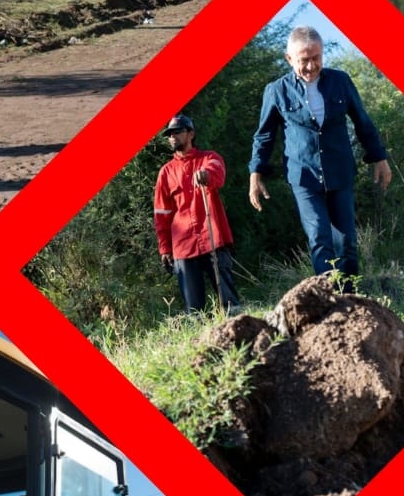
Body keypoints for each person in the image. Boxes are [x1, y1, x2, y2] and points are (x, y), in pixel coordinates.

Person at [248, 26, 391, 284]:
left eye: (317, 58)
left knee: (346, 241)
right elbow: (264, 135)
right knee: (319, 238)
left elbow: (363, 122)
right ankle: (328, 301)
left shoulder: (340, 81)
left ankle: (350, 298)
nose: (312, 66)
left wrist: (379, 158)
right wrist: (255, 173)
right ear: (289, 58)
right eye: (305, 60)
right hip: (303, 176)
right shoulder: (276, 91)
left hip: (339, 171)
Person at [153, 113, 240, 312]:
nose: (172, 137)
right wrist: (165, 248)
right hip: (183, 246)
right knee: (194, 311)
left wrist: (206, 175)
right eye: (170, 134)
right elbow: (161, 215)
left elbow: (217, 173)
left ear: (191, 134)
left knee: (229, 304)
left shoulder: (209, 158)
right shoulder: (165, 173)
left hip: (213, 239)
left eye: (177, 132)